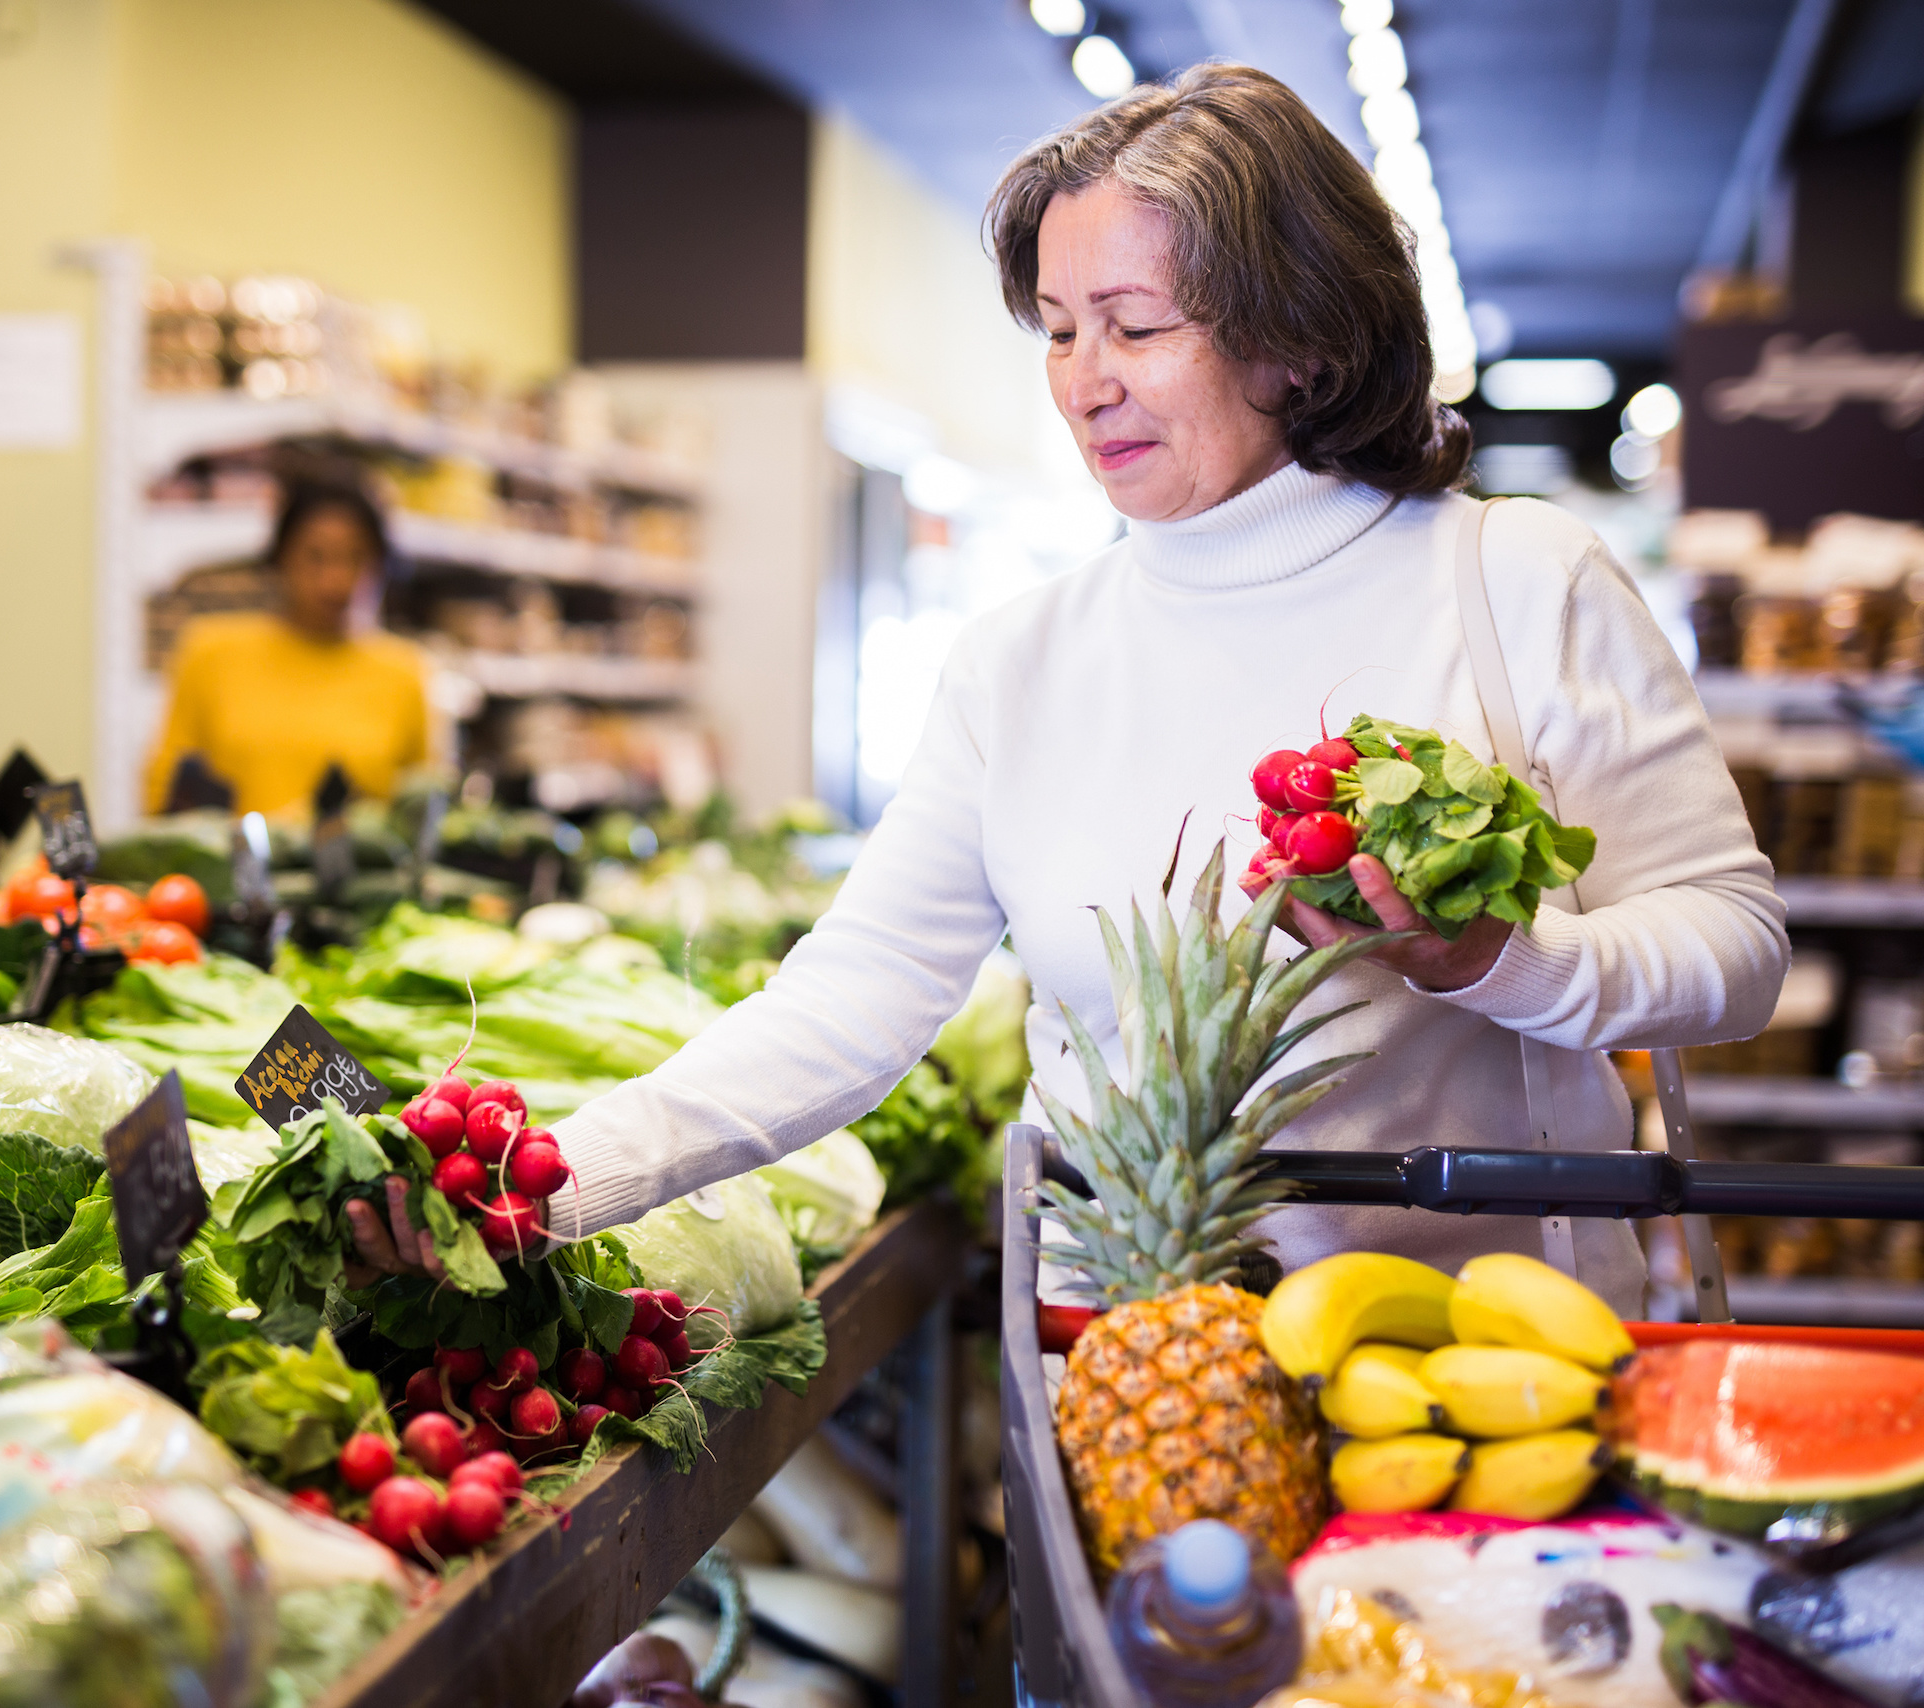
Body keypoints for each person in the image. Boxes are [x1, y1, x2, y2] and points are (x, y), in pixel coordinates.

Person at [347, 64, 1787, 1311]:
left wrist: (1504, 966)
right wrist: (546, 1177)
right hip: (1120, 1360)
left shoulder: (1519, 584)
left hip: (1492, 1362)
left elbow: (1736, 949)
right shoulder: (1024, 661)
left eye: (1136, 326)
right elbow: (852, 1000)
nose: (1083, 381)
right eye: (1056, 326)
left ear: (1300, 339)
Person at [144, 480, 430, 818]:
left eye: (355, 558)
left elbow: (417, 808)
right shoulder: (210, 652)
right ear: (281, 557)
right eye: (316, 557)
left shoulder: (404, 671)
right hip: (229, 868)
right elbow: (165, 789)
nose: (335, 580)